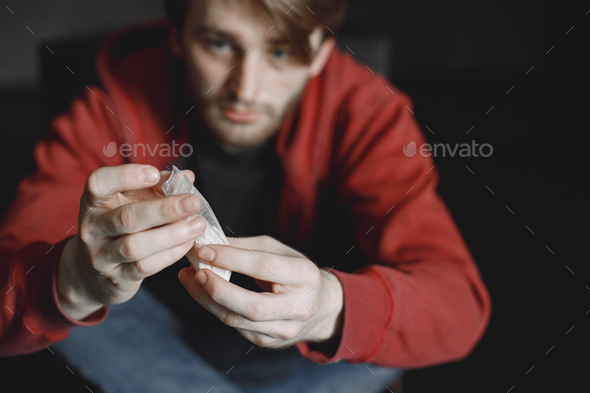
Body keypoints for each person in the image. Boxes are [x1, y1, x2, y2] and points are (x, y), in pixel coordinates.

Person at [0, 0, 491, 391]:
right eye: (218, 43)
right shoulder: (108, 108)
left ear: (320, 50)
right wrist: (77, 280)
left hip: (295, 356)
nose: (245, 89)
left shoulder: (368, 114)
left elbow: (459, 306)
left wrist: (328, 308)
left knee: (373, 334)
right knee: (73, 298)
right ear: (178, 35)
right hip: (155, 336)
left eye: (280, 52)